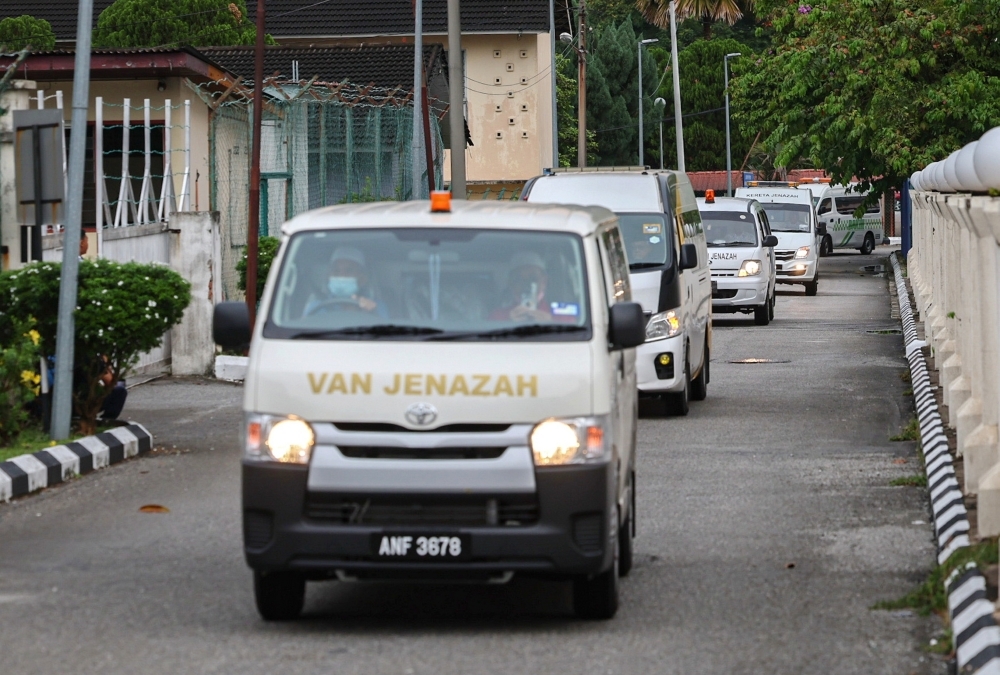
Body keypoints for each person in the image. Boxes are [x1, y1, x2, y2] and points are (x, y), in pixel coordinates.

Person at [304, 246, 386, 317]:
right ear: (329, 277)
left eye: (349, 271)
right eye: (336, 270)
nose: (341, 275)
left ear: (362, 279)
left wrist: (371, 313)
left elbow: (385, 333)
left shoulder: (374, 306)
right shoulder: (316, 306)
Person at [490, 252, 554, 323]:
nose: (527, 285)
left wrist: (552, 326)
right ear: (511, 284)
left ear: (544, 282)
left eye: (533, 279)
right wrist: (507, 324)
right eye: (519, 279)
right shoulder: (497, 317)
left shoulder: (561, 316)